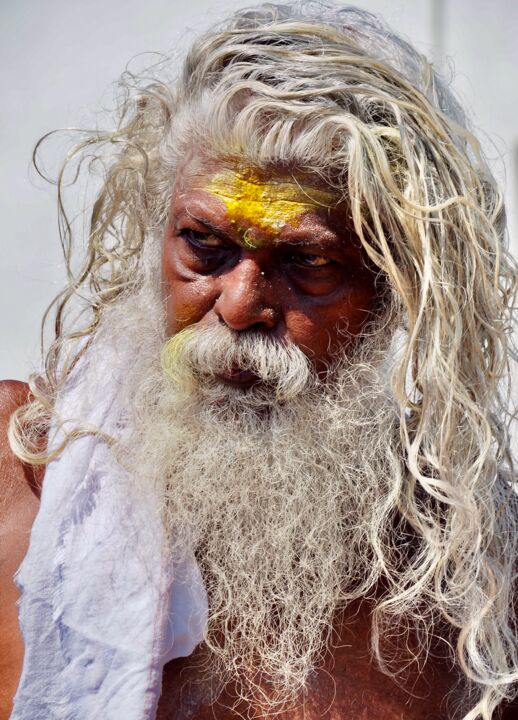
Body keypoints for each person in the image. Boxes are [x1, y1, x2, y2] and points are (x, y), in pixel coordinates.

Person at [1, 2, 517, 719]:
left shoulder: (467, 579)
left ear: (394, 291)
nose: (240, 306)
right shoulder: (20, 476)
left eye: (307, 261)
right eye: (203, 247)